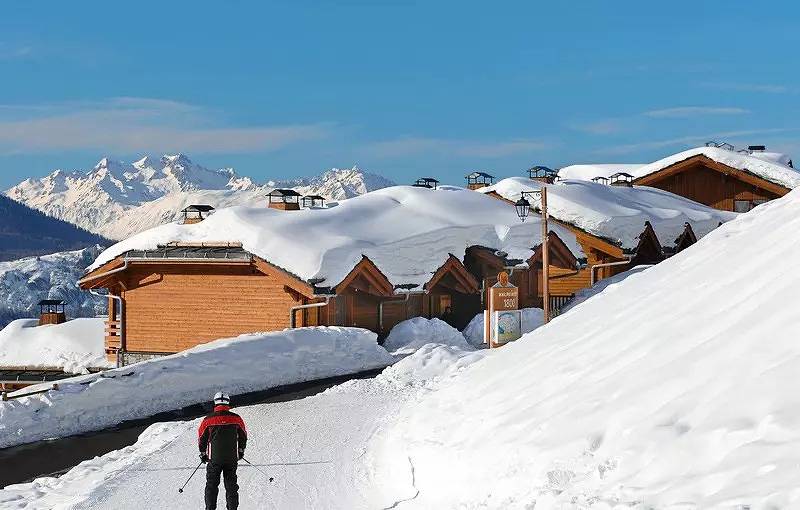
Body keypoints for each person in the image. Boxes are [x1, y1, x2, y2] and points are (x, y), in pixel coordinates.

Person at [198, 391, 247, 510]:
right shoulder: (236, 418)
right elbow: (243, 435)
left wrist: (203, 453)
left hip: (214, 459)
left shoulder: (207, 420)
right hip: (231, 458)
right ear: (228, 402)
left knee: (211, 486)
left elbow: (201, 438)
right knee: (231, 487)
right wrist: (240, 451)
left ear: (215, 403)